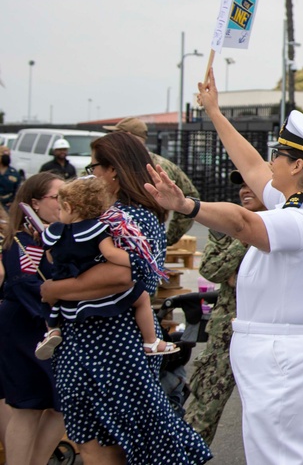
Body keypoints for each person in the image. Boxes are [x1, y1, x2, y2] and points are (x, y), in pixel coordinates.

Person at [146, 70, 303, 465]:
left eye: (280, 155)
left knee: (279, 459)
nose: (271, 161)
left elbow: (242, 223)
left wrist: (188, 206)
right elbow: (252, 165)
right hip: (275, 351)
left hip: (284, 356)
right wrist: (215, 112)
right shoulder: (295, 202)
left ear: (297, 165)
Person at [39, 131, 211, 464]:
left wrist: (53, 290)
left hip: (115, 340)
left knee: (123, 440)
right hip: (90, 340)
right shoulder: (109, 216)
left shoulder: (128, 218)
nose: (91, 176)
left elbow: (122, 275)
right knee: (96, 439)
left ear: (114, 170)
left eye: (94, 167)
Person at [35, 175, 176, 360]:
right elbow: (111, 254)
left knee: (47, 300)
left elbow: (50, 257)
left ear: (69, 207)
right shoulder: (97, 228)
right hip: (98, 294)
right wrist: (136, 260)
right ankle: (150, 340)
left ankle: (52, 331)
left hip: (65, 290)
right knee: (141, 298)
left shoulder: (55, 230)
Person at [184, 169, 263, 445]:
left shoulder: (281, 224)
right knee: (204, 406)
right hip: (225, 330)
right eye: (241, 186)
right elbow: (211, 269)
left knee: (269, 412)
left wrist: (238, 274)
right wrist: (243, 240)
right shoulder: (225, 224)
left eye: (251, 184)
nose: (244, 190)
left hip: (267, 332)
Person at [0, 173, 67, 465]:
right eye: (58, 197)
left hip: (49, 328)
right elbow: (21, 284)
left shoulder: (60, 235)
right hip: (25, 329)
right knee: (27, 406)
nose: (65, 203)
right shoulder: (21, 241)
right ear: (35, 204)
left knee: (61, 405)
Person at [104, 117, 200, 246]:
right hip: (147, 240)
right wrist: (167, 238)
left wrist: (169, 237)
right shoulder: (166, 165)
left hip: (122, 240)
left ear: (128, 136)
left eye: (115, 134)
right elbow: (191, 198)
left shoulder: (121, 165)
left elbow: (189, 199)